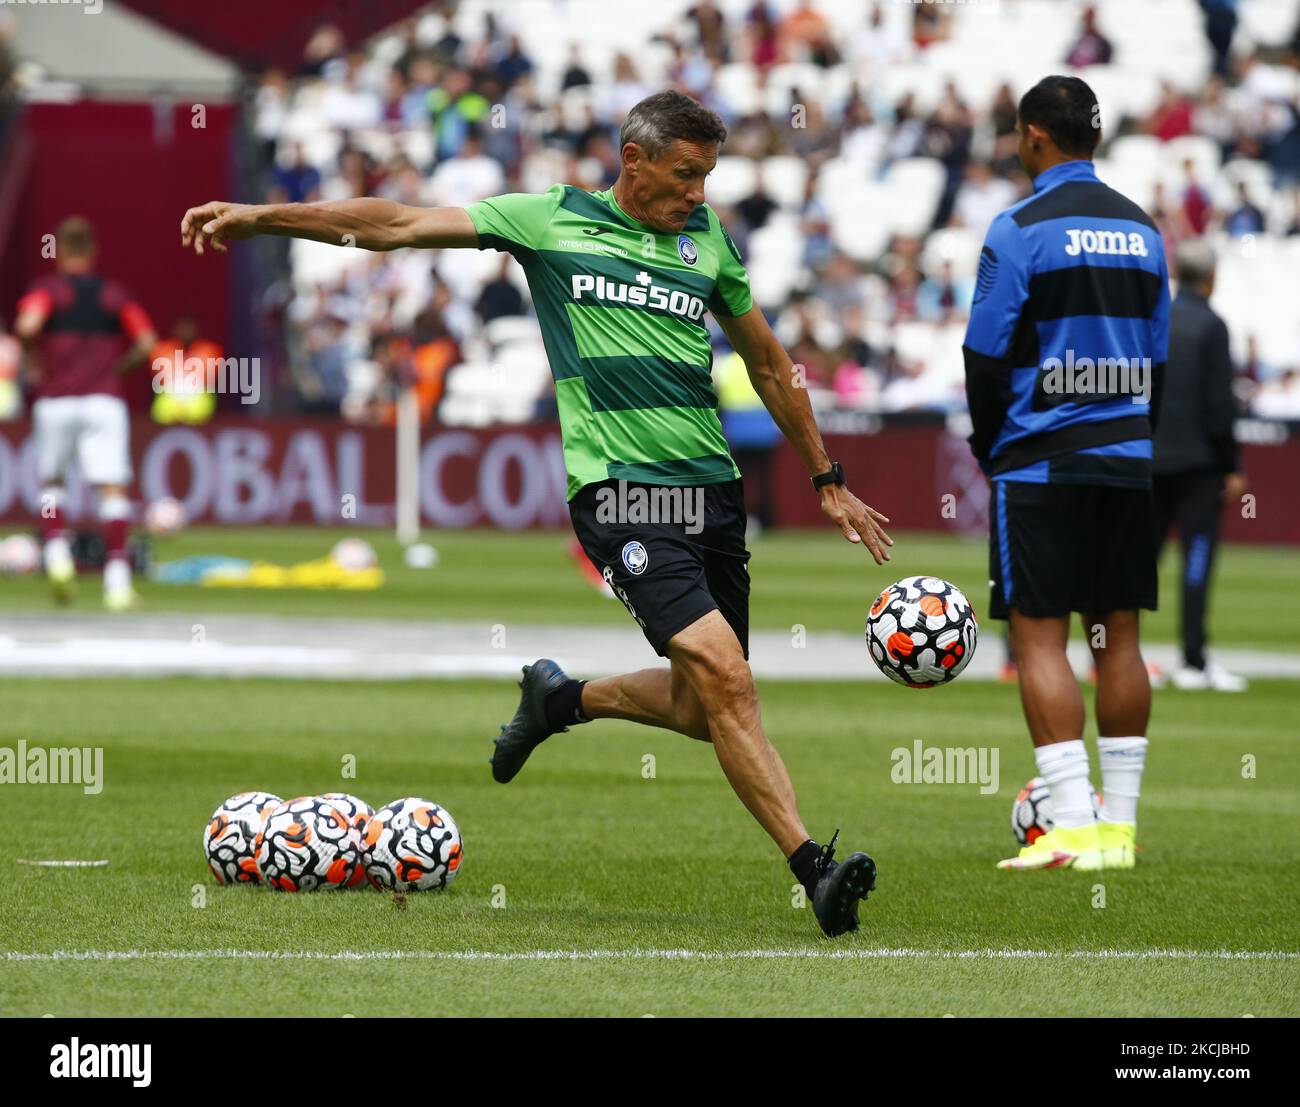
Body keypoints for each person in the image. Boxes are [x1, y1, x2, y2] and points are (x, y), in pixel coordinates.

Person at [180, 89, 893, 939]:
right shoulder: (547, 219)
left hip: (712, 493)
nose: (699, 192)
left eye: (708, 175)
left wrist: (827, 477)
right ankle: (815, 869)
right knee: (729, 677)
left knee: (706, 710)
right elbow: (396, 224)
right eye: (685, 173)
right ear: (634, 160)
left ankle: (561, 700)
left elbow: (772, 365)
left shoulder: (708, 245)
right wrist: (264, 217)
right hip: (620, 490)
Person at [963, 76, 1170, 873]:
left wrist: (992, 446)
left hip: (1039, 460)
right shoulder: (1144, 230)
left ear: (1034, 136)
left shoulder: (1017, 229)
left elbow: (984, 355)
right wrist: (1133, 443)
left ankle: (1072, 826)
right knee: (1119, 636)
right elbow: (1156, 361)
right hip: (1124, 458)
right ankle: (1116, 830)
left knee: (1040, 637)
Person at [14, 216, 157, 610]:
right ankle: (117, 582)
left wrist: (35, 360)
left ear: (57, 250)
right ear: (93, 251)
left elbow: (26, 325)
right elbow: (147, 342)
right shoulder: (113, 295)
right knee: (112, 488)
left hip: (56, 400)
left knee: (52, 483)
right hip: (103, 401)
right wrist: (118, 369)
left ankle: (58, 557)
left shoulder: (48, 290)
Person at [1153, 241, 1248, 692]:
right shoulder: (1212, 325)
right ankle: (1192, 660)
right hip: (1199, 466)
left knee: (1139, 564)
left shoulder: (1156, 320)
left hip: (1149, 462)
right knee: (1197, 561)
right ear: (1211, 277)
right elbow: (1219, 404)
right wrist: (1231, 465)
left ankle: (1116, 658)